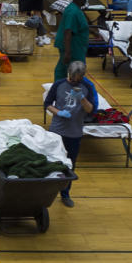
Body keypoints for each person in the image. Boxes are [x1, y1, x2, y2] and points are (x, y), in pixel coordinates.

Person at [44, 60, 97, 208]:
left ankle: (65, 194)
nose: (74, 82)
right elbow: (47, 104)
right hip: (57, 131)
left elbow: (90, 110)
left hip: (74, 133)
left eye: (78, 79)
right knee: (51, 160)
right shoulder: (59, 84)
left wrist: (82, 99)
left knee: (70, 165)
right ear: (69, 74)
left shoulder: (87, 87)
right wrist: (59, 112)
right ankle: (46, 191)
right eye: (73, 78)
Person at [54, 0, 89, 81]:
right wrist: (68, 52)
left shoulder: (75, 8)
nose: (86, 1)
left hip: (76, 46)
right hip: (73, 47)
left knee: (63, 68)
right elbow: (68, 32)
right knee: (75, 69)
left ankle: (60, 86)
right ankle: (62, 89)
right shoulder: (73, 12)